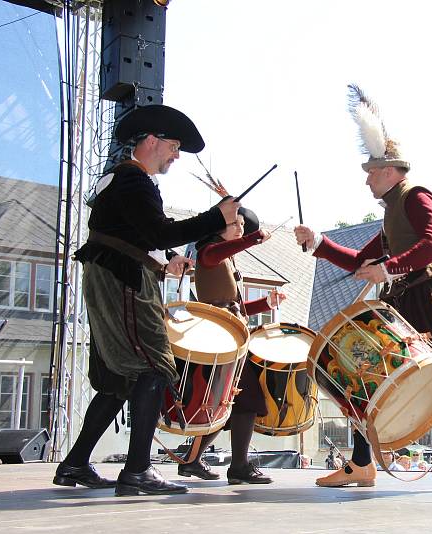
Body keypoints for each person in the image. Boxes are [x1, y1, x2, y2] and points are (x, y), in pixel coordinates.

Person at [294, 84, 432, 492]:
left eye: (370, 173)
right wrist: (318, 242)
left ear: (387, 170)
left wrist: (390, 268)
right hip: (407, 301)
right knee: (371, 378)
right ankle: (362, 465)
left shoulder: (416, 196)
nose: (366, 182)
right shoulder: (391, 216)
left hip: (428, 297)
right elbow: (359, 262)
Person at [52, 104, 240, 496]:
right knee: (155, 366)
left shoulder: (118, 181)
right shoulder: (134, 181)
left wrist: (166, 261)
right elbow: (158, 230)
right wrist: (216, 217)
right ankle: (137, 471)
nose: (175, 155)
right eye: (173, 146)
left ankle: (74, 464)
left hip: (111, 275)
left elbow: (133, 234)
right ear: (152, 141)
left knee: (118, 380)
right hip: (124, 281)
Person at [174, 207, 286, 484]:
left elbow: (234, 305)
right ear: (218, 228)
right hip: (220, 335)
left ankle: (193, 460)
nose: (240, 230)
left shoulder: (224, 257)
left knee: (227, 402)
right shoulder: (209, 251)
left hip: (228, 334)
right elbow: (220, 294)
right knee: (242, 400)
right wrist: (255, 238)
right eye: (235, 225)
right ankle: (238, 467)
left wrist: (266, 304)